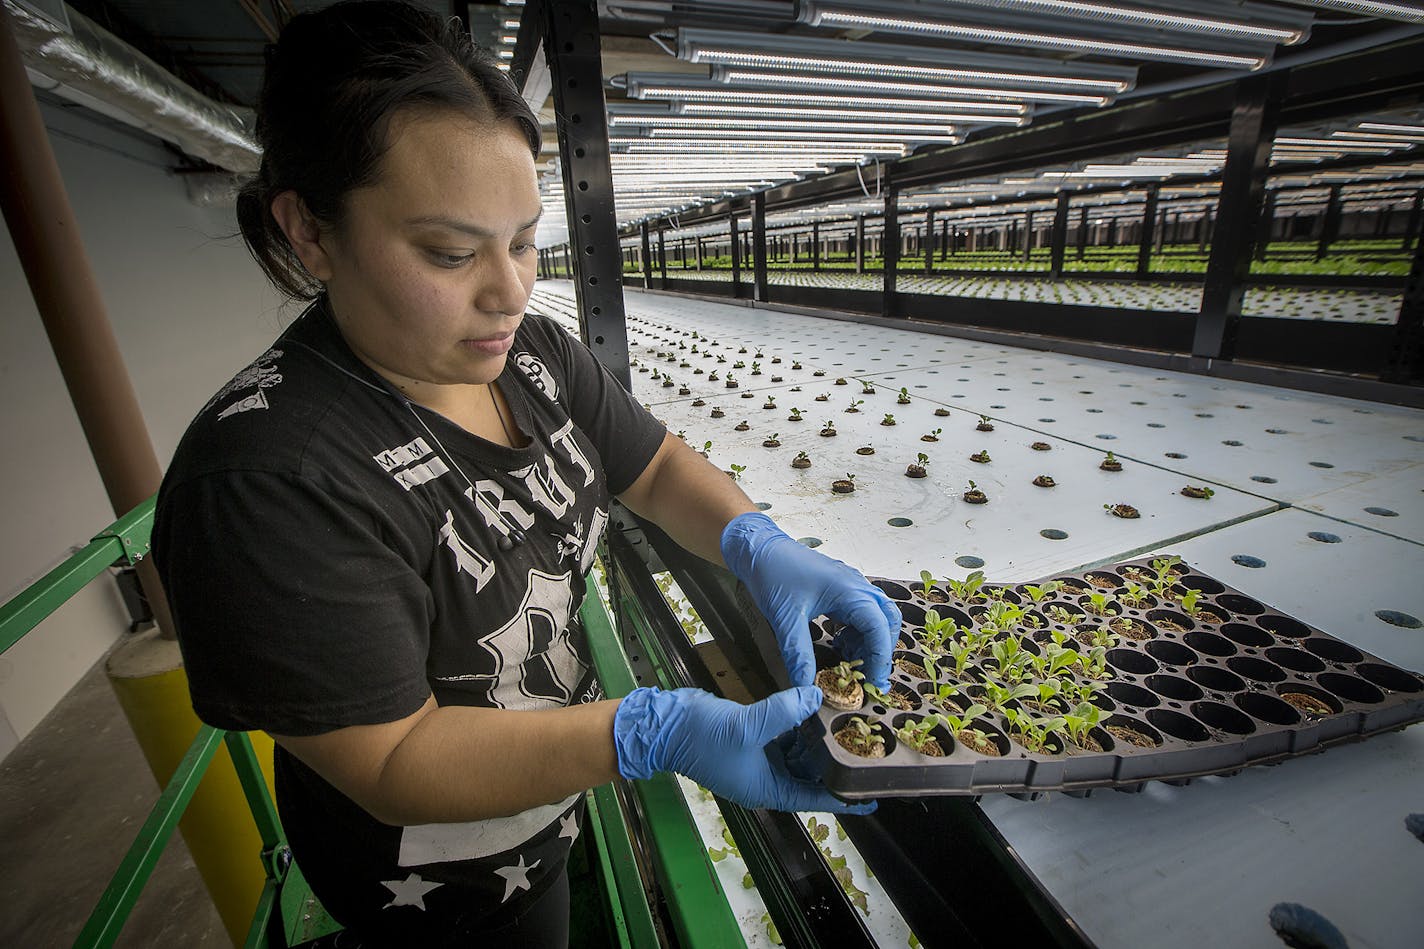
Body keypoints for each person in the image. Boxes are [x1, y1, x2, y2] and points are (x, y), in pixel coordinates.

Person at [152, 2, 900, 945]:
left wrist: (759, 540)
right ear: (309, 231)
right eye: (450, 251)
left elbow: (656, 464)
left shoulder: (535, 356)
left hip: (549, 787)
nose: (509, 289)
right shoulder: (265, 482)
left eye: (521, 239)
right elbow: (396, 757)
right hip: (439, 882)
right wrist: (650, 730)